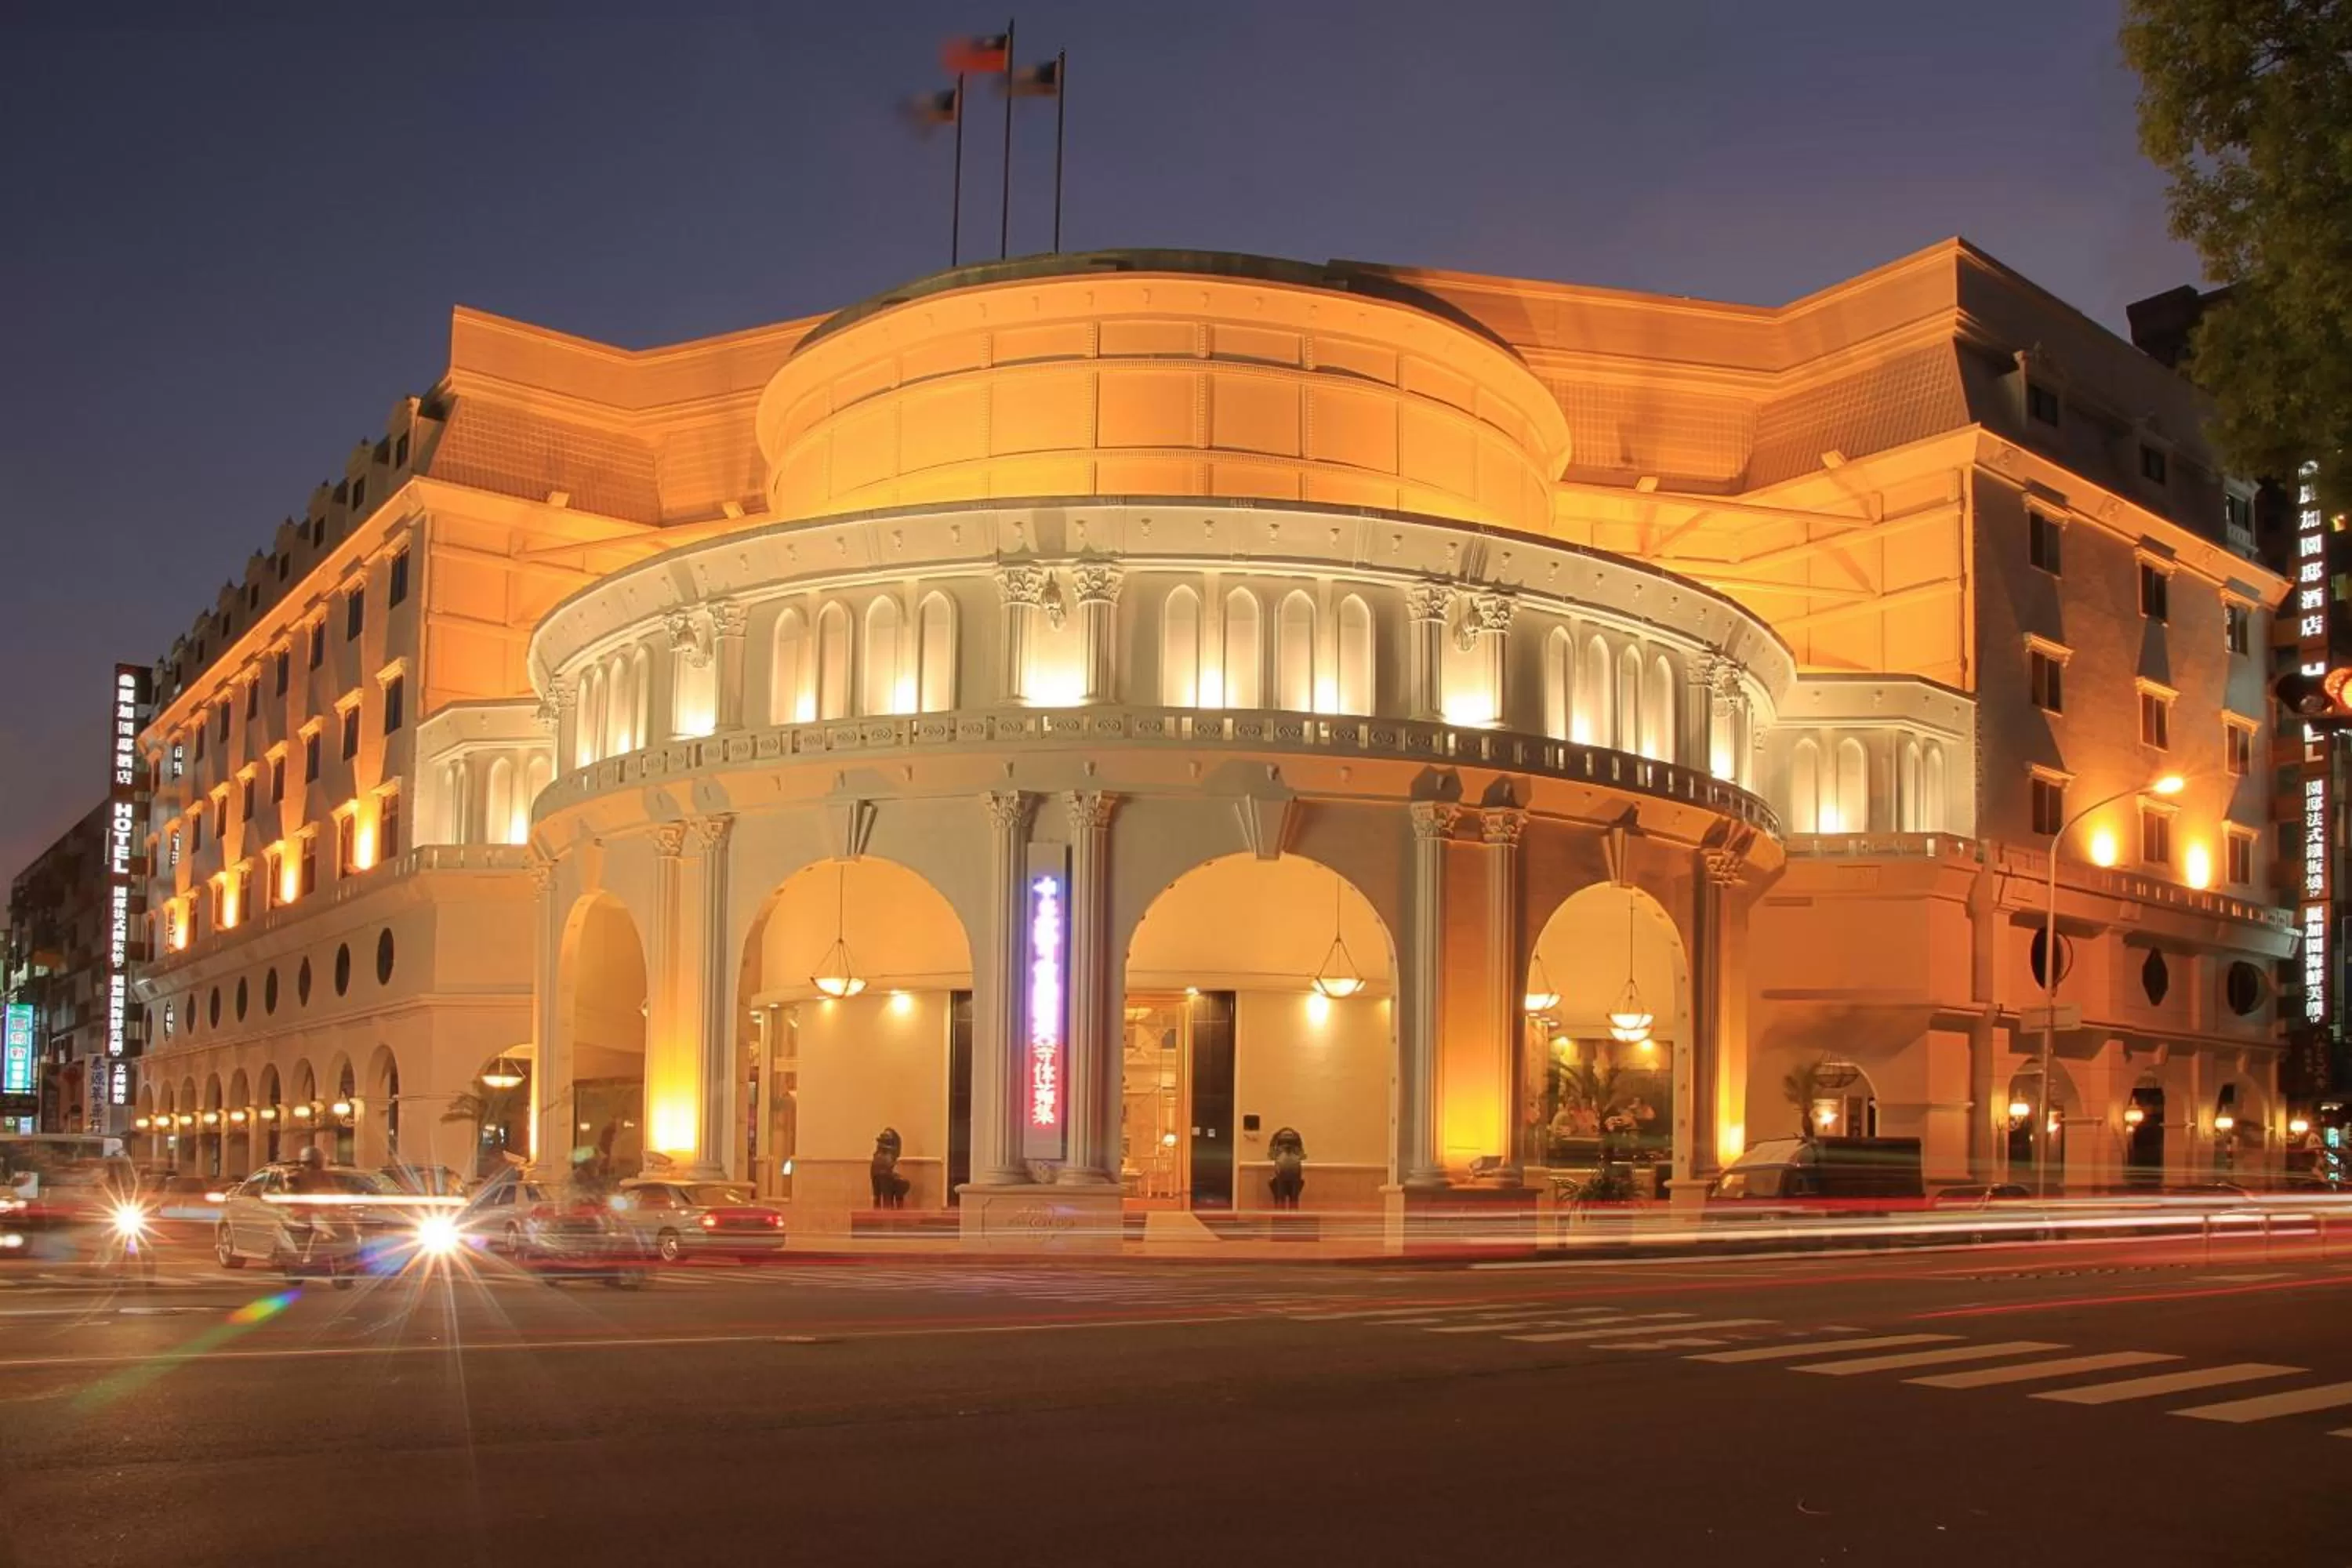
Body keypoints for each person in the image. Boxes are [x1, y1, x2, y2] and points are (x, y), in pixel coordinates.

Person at [1268, 1127, 1306, 1210]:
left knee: (1284, 1200)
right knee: (1292, 1200)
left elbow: (1271, 1155)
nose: (1287, 1145)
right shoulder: (1296, 1151)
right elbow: (1303, 1155)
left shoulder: (1279, 1151)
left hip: (1286, 1174)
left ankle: (1284, 1217)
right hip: (1289, 1174)